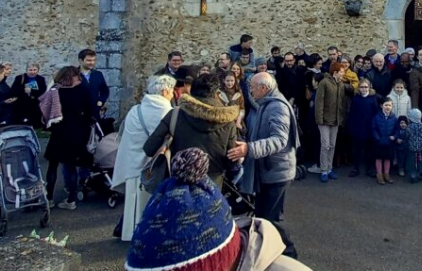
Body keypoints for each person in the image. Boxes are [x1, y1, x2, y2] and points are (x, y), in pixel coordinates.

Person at [125, 148, 311, 271]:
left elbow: (150, 146)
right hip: (214, 187)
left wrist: (250, 148)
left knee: (274, 214)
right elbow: (231, 156)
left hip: (263, 175)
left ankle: (290, 248)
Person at [227, 72, 300, 259]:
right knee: (262, 215)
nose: (249, 90)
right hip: (268, 170)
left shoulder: (277, 107)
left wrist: (249, 149)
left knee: (271, 219)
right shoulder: (264, 104)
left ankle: (289, 256)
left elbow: (279, 140)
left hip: (276, 172)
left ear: (264, 88)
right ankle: (272, 254)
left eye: (252, 87)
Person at [145, 74, 239, 188]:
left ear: (192, 92)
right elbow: (232, 161)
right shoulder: (228, 121)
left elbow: (149, 148)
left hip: (179, 179)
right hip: (212, 182)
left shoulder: (175, 114)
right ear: (216, 94)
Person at [111, 75, 175, 241]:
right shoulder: (167, 111)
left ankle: (130, 233)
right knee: (152, 203)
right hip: (154, 167)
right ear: (165, 90)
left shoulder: (135, 110)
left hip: (133, 163)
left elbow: (126, 136)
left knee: (133, 203)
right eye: (172, 90)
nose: (173, 94)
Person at [44, 66, 94, 210]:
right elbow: (90, 112)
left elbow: (46, 110)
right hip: (76, 130)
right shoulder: (83, 89)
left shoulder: (56, 91)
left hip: (59, 130)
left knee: (52, 166)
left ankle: (49, 198)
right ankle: (71, 199)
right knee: (71, 165)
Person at [315, 62, 347, 182]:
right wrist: (319, 119)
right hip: (324, 120)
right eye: (341, 72)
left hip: (336, 119)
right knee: (325, 145)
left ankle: (329, 168)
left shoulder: (341, 84)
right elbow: (319, 102)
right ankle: (323, 170)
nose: (343, 74)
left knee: (332, 145)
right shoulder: (324, 83)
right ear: (335, 72)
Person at [348, 78, 379, 177]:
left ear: (369, 87)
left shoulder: (373, 99)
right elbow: (352, 114)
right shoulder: (356, 98)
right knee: (356, 150)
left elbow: (376, 114)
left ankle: (369, 169)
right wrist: (352, 128)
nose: (364, 89)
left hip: (369, 128)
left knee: (369, 151)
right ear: (359, 88)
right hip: (358, 128)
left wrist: (375, 128)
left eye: (366, 87)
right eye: (362, 87)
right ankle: (355, 168)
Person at [78, 49, 109, 121]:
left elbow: (105, 91)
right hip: (78, 113)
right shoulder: (73, 75)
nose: (92, 63)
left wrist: (101, 101)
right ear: (80, 60)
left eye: (94, 60)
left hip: (94, 112)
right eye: (89, 60)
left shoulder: (98, 75)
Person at [372, 99, 398, 185]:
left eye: (389, 105)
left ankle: (386, 174)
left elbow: (397, 129)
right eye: (386, 105)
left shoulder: (394, 118)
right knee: (379, 158)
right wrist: (377, 138)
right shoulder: (377, 117)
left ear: (392, 107)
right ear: (381, 106)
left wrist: (394, 136)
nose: (388, 107)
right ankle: (379, 175)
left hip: (389, 142)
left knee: (387, 158)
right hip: (379, 142)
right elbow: (373, 128)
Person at [404, 109, 422, 183]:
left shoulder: (409, 127)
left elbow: (406, 136)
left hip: (412, 149)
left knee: (412, 163)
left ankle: (413, 175)